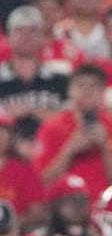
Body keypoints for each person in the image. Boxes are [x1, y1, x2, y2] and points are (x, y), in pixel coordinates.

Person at [32, 63, 112, 200]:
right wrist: (71, 148)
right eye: (81, 86)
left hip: (105, 206)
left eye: (93, 87)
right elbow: (41, 180)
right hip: (64, 206)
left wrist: (105, 147)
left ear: (102, 92)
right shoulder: (52, 127)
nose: (87, 92)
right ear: (70, 90)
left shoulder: (109, 125)